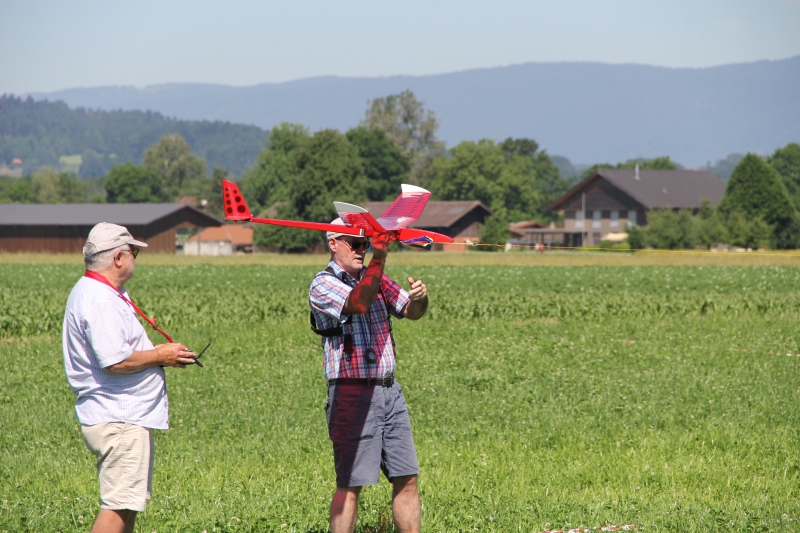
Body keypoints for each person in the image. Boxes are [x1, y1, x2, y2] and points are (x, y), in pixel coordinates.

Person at [62, 222, 197, 533]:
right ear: (118, 257)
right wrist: (161, 356)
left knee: (127, 506)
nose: (136, 257)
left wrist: (161, 355)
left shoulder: (101, 292)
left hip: (122, 416)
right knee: (118, 509)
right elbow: (115, 360)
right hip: (118, 416)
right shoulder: (100, 299)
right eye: (133, 251)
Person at [309, 221, 428, 533]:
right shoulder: (323, 284)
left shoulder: (375, 277)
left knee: (407, 477)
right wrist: (381, 256)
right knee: (350, 484)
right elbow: (359, 302)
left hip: (390, 391)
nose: (363, 249)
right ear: (333, 243)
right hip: (351, 394)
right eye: (356, 243)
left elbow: (411, 311)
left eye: (366, 244)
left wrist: (419, 298)